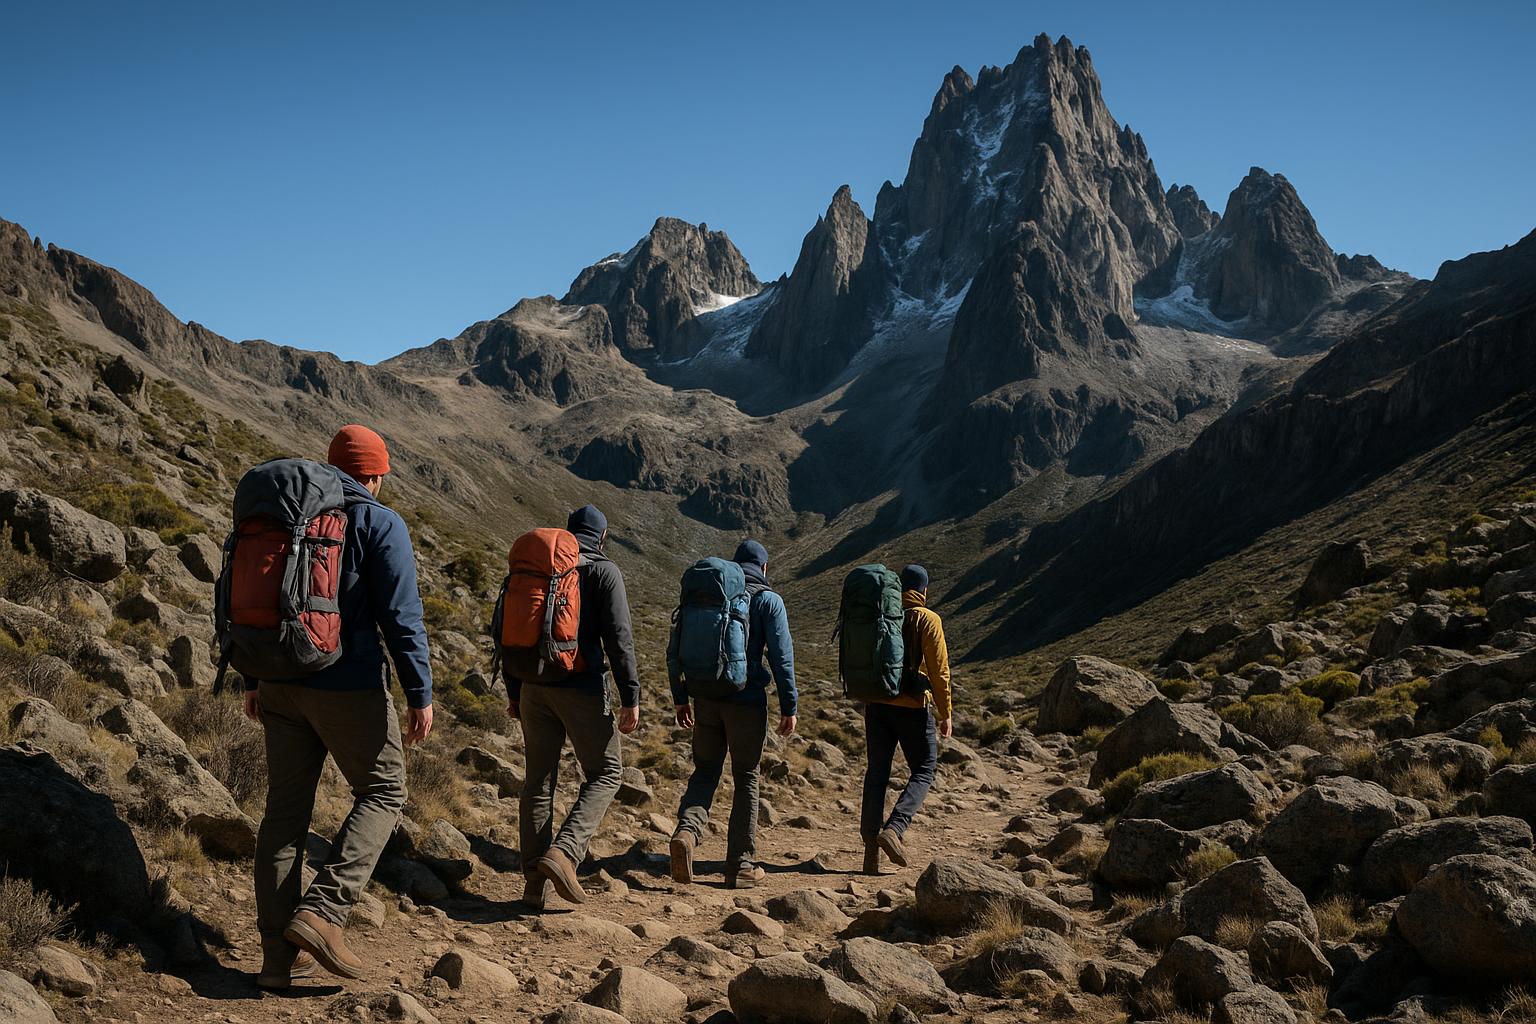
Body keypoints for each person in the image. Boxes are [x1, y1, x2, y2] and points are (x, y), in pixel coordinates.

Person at [246, 424, 434, 988]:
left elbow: (259, 595)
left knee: (284, 814)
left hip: (278, 679)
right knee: (384, 791)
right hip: (347, 685)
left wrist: (253, 678)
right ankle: (324, 913)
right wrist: (419, 692)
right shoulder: (379, 521)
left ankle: (277, 960)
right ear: (374, 475)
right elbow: (401, 617)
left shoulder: (288, 512)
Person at [509, 504, 640, 908]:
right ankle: (564, 854)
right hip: (582, 688)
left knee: (538, 781)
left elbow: (508, 632)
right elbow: (619, 638)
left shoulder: (537, 566)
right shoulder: (604, 571)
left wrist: (514, 692)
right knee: (606, 773)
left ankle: (535, 884)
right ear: (602, 537)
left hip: (532, 686)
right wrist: (630, 696)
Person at [669, 540, 798, 889]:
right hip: (747, 701)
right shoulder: (769, 600)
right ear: (764, 567)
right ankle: (741, 865)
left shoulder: (711, 595)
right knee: (746, 776)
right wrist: (789, 706)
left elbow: (674, 648)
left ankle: (686, 833)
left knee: (705, 771)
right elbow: (782, 658)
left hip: (706, 697)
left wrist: (680, 698)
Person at [861, 563, 951, 875]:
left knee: (877, 775)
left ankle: (870, 852)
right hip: (913, 707)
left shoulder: (881, 615)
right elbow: (939, 671)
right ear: (924, 589)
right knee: (924, 769)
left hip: (876, 705)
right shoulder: (927, 618)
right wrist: (945, 713)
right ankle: (895, 829)